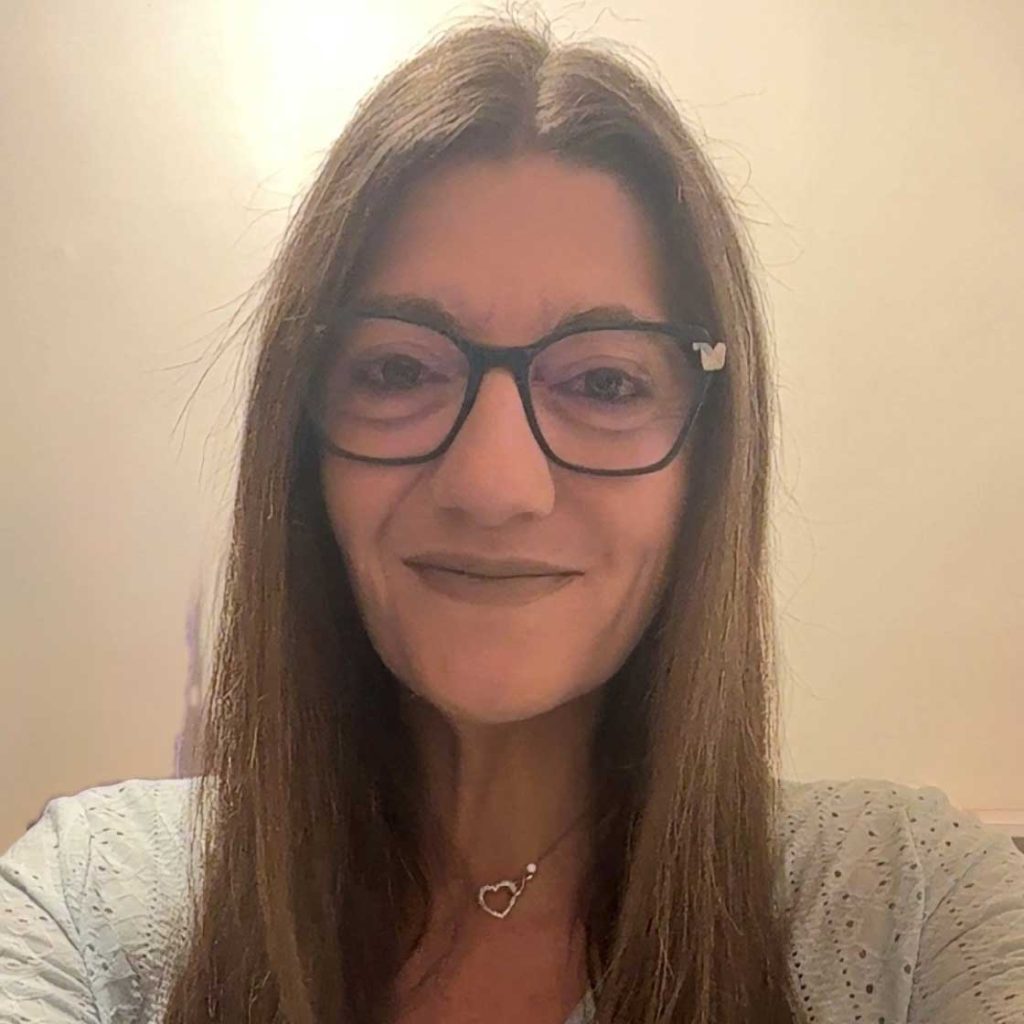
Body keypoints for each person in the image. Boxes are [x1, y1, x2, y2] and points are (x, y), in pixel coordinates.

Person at [2, 12, 1022, 1024]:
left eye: (606, 383)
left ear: (708, 461)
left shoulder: (915, 911)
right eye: (398, 371)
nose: (493, 484)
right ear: (301, 442)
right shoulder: (94, 902)